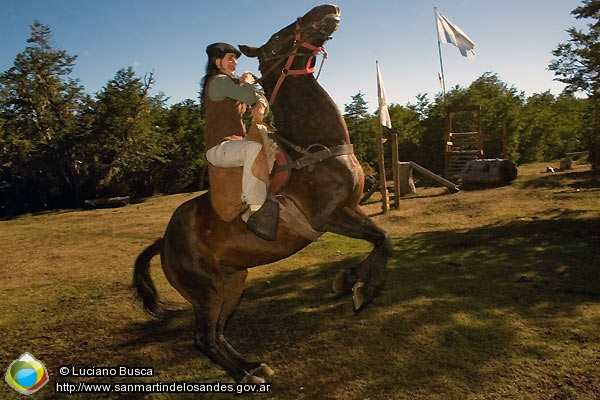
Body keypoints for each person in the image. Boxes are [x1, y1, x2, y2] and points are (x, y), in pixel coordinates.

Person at [201, 42, 279, 241]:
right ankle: (254, 210)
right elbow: (248, 94)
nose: (234, 62)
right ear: (217, 61)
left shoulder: (232, 85)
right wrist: (248, 80)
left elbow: (259, 97)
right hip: (219, 147)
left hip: (234, 144)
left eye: (235, 58)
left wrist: (261, 105)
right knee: (253, 148)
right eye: (229, 58)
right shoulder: (219, 81)